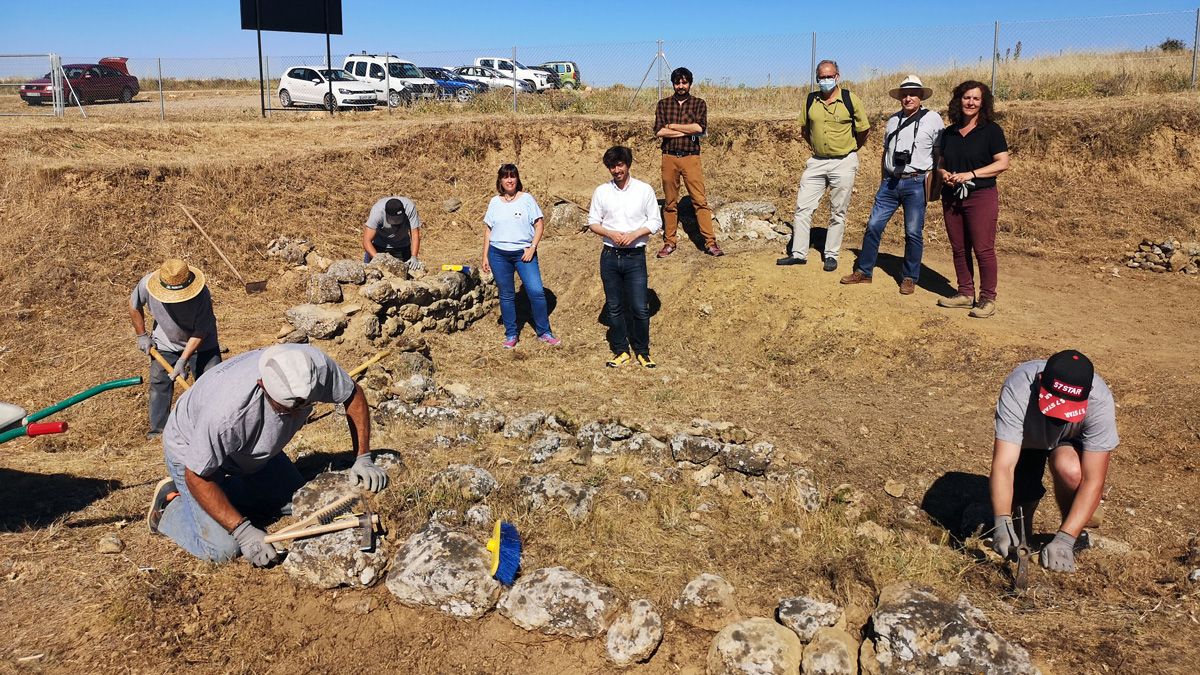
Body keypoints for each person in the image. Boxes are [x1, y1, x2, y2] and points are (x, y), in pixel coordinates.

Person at [145, 344, 389, 567]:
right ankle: (170, 507)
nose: (295, 414)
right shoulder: (227, 414)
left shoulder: (312, 366)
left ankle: (222, 497)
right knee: (223, 549)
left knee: (298, 499)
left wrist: (363, 457)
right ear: (262, 386)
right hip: (192, 451)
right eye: (284, 409)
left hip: (251, 452)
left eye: (302, 406)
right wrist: (243, 531)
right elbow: (197, 476)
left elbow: (352, 394)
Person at [990, 350, 1117, 573]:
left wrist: (1066, 539)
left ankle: (1072, 532)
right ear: (1041, 382)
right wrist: (1001, 520)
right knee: (1021, 493)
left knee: (1071, 471)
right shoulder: (1019, 388)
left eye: (1068, 408)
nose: (1059, 415)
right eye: (1055, 405)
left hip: (1068, 442)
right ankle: (1022, 524)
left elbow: (1093, 480)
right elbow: (1004, 465)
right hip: (1030, 437)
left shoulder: (1099, 401)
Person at [841, 76, 944, 294]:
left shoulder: (933, 119)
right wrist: (882, 179)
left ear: (921, 97)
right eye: (904, 94)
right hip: (890, 182)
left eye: (913, 94)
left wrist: (936, 184)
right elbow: (885, 153)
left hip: (916, 182)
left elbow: (939, 153)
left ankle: (909, 276)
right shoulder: (892, 120)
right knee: (873, 226)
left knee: (913, 232)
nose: (908, 98)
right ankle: (864, 271)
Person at [777, 59, 870, 272]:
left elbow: (864, 129)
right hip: (817, 161)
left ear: (837, 76)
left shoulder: (849, 99)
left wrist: (853, 147)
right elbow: (804, 129)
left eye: (830, 76)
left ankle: (831, 254)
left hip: (843, 161)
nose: (826, 80)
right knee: (802, 208)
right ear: (817, 78)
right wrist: (816, 147)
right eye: (822, 77)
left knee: (838, 211)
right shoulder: (811, 100)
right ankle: (799, 253)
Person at [935, 80, 1009, 318]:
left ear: (983, 103)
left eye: (976, 98)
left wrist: (972, 174)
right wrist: (943, 173)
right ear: (959, 100)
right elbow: (941, 162)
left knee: (983, 249)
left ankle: (987, 298)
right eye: (967, 97)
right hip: (952, 196)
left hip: (981, 195)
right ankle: (966, 293)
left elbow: (1002, 163)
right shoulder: (949, 132)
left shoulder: (991, 131)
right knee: (959, 247)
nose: (971, 102)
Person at [587, 146, 662, 368]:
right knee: (614, 306)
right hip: (609, 256)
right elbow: (593, 221)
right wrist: (610, 233)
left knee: (639, 306)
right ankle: (620, 351)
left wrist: (634, 234)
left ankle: (643, 351)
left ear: (628, 164)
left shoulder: (644, 190)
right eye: (612, 166)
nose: (616, 170)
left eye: (620, 165)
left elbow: (655, 221)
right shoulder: (602, 191)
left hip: (635, 257)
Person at [129, 258, 221, 439]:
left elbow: (201, 330)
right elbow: (134, 305)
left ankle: (211, 429)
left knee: (211, 385)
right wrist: (141, 335)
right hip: (165, 343)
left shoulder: (201, 294)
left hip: (202, 345)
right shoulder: (147, 284)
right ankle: (158, 432)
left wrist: (183, 360)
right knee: (159, 384)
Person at [480, 163, 559, 349]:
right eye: (505, 177)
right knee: (506, 295)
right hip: (498, 254)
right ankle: (511, 334)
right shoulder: (494, 202)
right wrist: (485, 256)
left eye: (512, 176)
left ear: (517, 179)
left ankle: (544, 331)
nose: (509, 180)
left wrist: (532, 248)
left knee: (536, 291)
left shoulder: (527, 199)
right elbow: (488, 231)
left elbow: (539, 225)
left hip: (524, 254)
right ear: (500, 180)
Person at [653, 66, 722, 258]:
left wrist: (672, 126)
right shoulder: (663, 104)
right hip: (669, 157)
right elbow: (659, 131)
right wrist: (688, 130)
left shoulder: (699, 104)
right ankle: (669, 242)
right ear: (673, 83)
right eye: (677, 82)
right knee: (669, 203)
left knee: (700, 201)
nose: (681, 86)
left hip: (691, 157)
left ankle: (710, 242)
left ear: (690, 83)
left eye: (684, 82)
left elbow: (700, 127)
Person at [362, 196, 424, 270]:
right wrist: (378, 260)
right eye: (393, 220)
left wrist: (414, 256)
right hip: (379, 246)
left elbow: (414, 235)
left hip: (401, 247)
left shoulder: (410, 208)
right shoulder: (377, 212)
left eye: (398, 220)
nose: (396, 223)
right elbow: (366, 241)